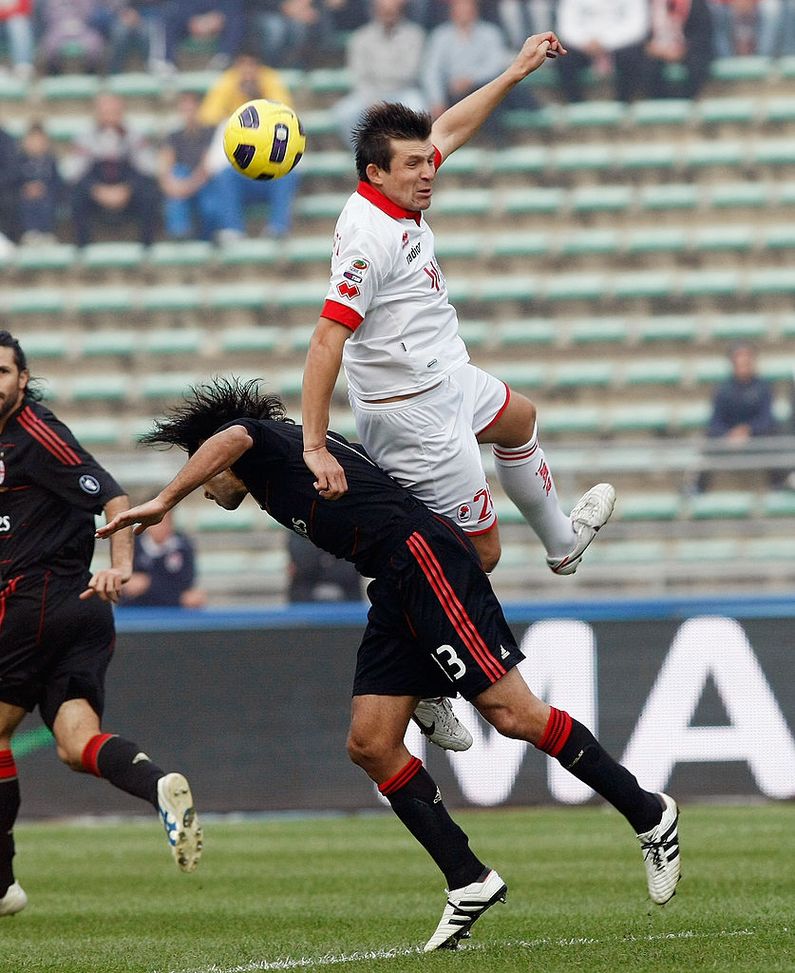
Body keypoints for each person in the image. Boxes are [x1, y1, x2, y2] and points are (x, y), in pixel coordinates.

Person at [98, 377, 682, 952]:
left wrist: (164, 499)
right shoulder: (278, 473)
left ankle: (649, 813)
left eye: (204, 475)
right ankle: (467, 877)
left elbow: (235, 436)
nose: (207, 489)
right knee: (371, 743)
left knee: (513, 713)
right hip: (394, 581)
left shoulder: (266, 441)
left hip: (423, 559)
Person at [300, 33, 616, 580]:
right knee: (481, 555)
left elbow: (448, 128)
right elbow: (327, 338)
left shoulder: (397, 187)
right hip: (414, 411)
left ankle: (562, 542)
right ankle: (399, 611)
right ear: (375, 172)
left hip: (443, 376)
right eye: (414, 166)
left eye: (429, 162)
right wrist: (314, 446)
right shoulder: (368, 239)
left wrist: (516, 71)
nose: (429, 173)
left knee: (519, 420)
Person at [0, 331, 202, 918]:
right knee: (73, 745)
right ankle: (159, 784)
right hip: (75, 613)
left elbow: (113, 500)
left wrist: (120, 567)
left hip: (41, 601)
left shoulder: (35, 434)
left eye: (5, 371)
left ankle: (2, 883)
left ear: (23, 378)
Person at [198, 47, 300, 239]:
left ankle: (278, 227)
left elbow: (295, 158)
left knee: (289, 173)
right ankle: (233, 228)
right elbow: (215, 164)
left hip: (270, 180)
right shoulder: (229, 125)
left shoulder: (281, 125)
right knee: (224, 176)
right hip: (242, 182)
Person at [69, 92, 160, 247]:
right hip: (96, 190)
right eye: (106, 113)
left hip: (127, 191)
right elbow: (73, 171)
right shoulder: (85, 136)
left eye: (114, 113)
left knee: (149, 192)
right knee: (76, 193)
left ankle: (146, 247)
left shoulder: (134, 135)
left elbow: (149, 168)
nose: (110, 117)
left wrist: (127, 189)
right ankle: (83, 247)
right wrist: (97, 190)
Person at [332, 0, 427, 147]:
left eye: (391, 9)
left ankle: (408, 158)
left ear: (400, 8)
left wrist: (386, 100)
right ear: (375, 9)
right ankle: (365, 158)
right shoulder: (361, 37)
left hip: (403, 92)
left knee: (418, 110)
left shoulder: (414, 35)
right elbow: (359, 76)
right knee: (344, 114)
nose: (388, 13)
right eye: (384, 9)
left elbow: (410, 72)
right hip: (371, 94)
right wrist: (372, 99)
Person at [693, 342, 784, 493]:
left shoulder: (763, 387)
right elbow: (715, 422)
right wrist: (730, 434)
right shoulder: (723, 390)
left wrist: (747, 430)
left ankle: (779, 484)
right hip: (728, 441)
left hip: (757, 439)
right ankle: (698, 487)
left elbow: (767, 419)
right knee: (707, 439)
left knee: (776, 435)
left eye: (747, 359)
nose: (743, 363)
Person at [158, 90, 241, 242]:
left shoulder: (210, 133)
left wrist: (187, 186)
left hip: (204, 184)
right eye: (184, 109)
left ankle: (206, 238)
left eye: (191, 108)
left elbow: (207, 166)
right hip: (182, 184)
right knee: (178, 176)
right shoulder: (174, 136)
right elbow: (166, 166)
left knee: (210, 207)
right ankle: (179, 233)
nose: (188, 113)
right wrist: (171, 186)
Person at [122, 509, 207, 608]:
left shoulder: (183, 547)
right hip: (135, 613)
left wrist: (148, 583)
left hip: (174, 613)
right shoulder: (130, 545)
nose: (161, 526)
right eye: (155, 521)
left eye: (165, 521)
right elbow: (125, 586)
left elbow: (186, 588)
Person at [287, 529, 363, 602]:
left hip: (349, 596)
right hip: (304, 596)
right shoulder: (299, 524)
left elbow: (350, 570)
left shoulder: (352, 525)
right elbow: (303, 563)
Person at [18, 122, 63, 245]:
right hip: (25, 195)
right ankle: (30, 233)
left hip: (46, 195)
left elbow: (57, 181)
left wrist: (45, 188)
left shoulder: (50, 162)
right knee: (25, 203)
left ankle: (46, 233)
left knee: (47, 202)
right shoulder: (20, 161)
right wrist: (26, 187)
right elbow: (16, 180)